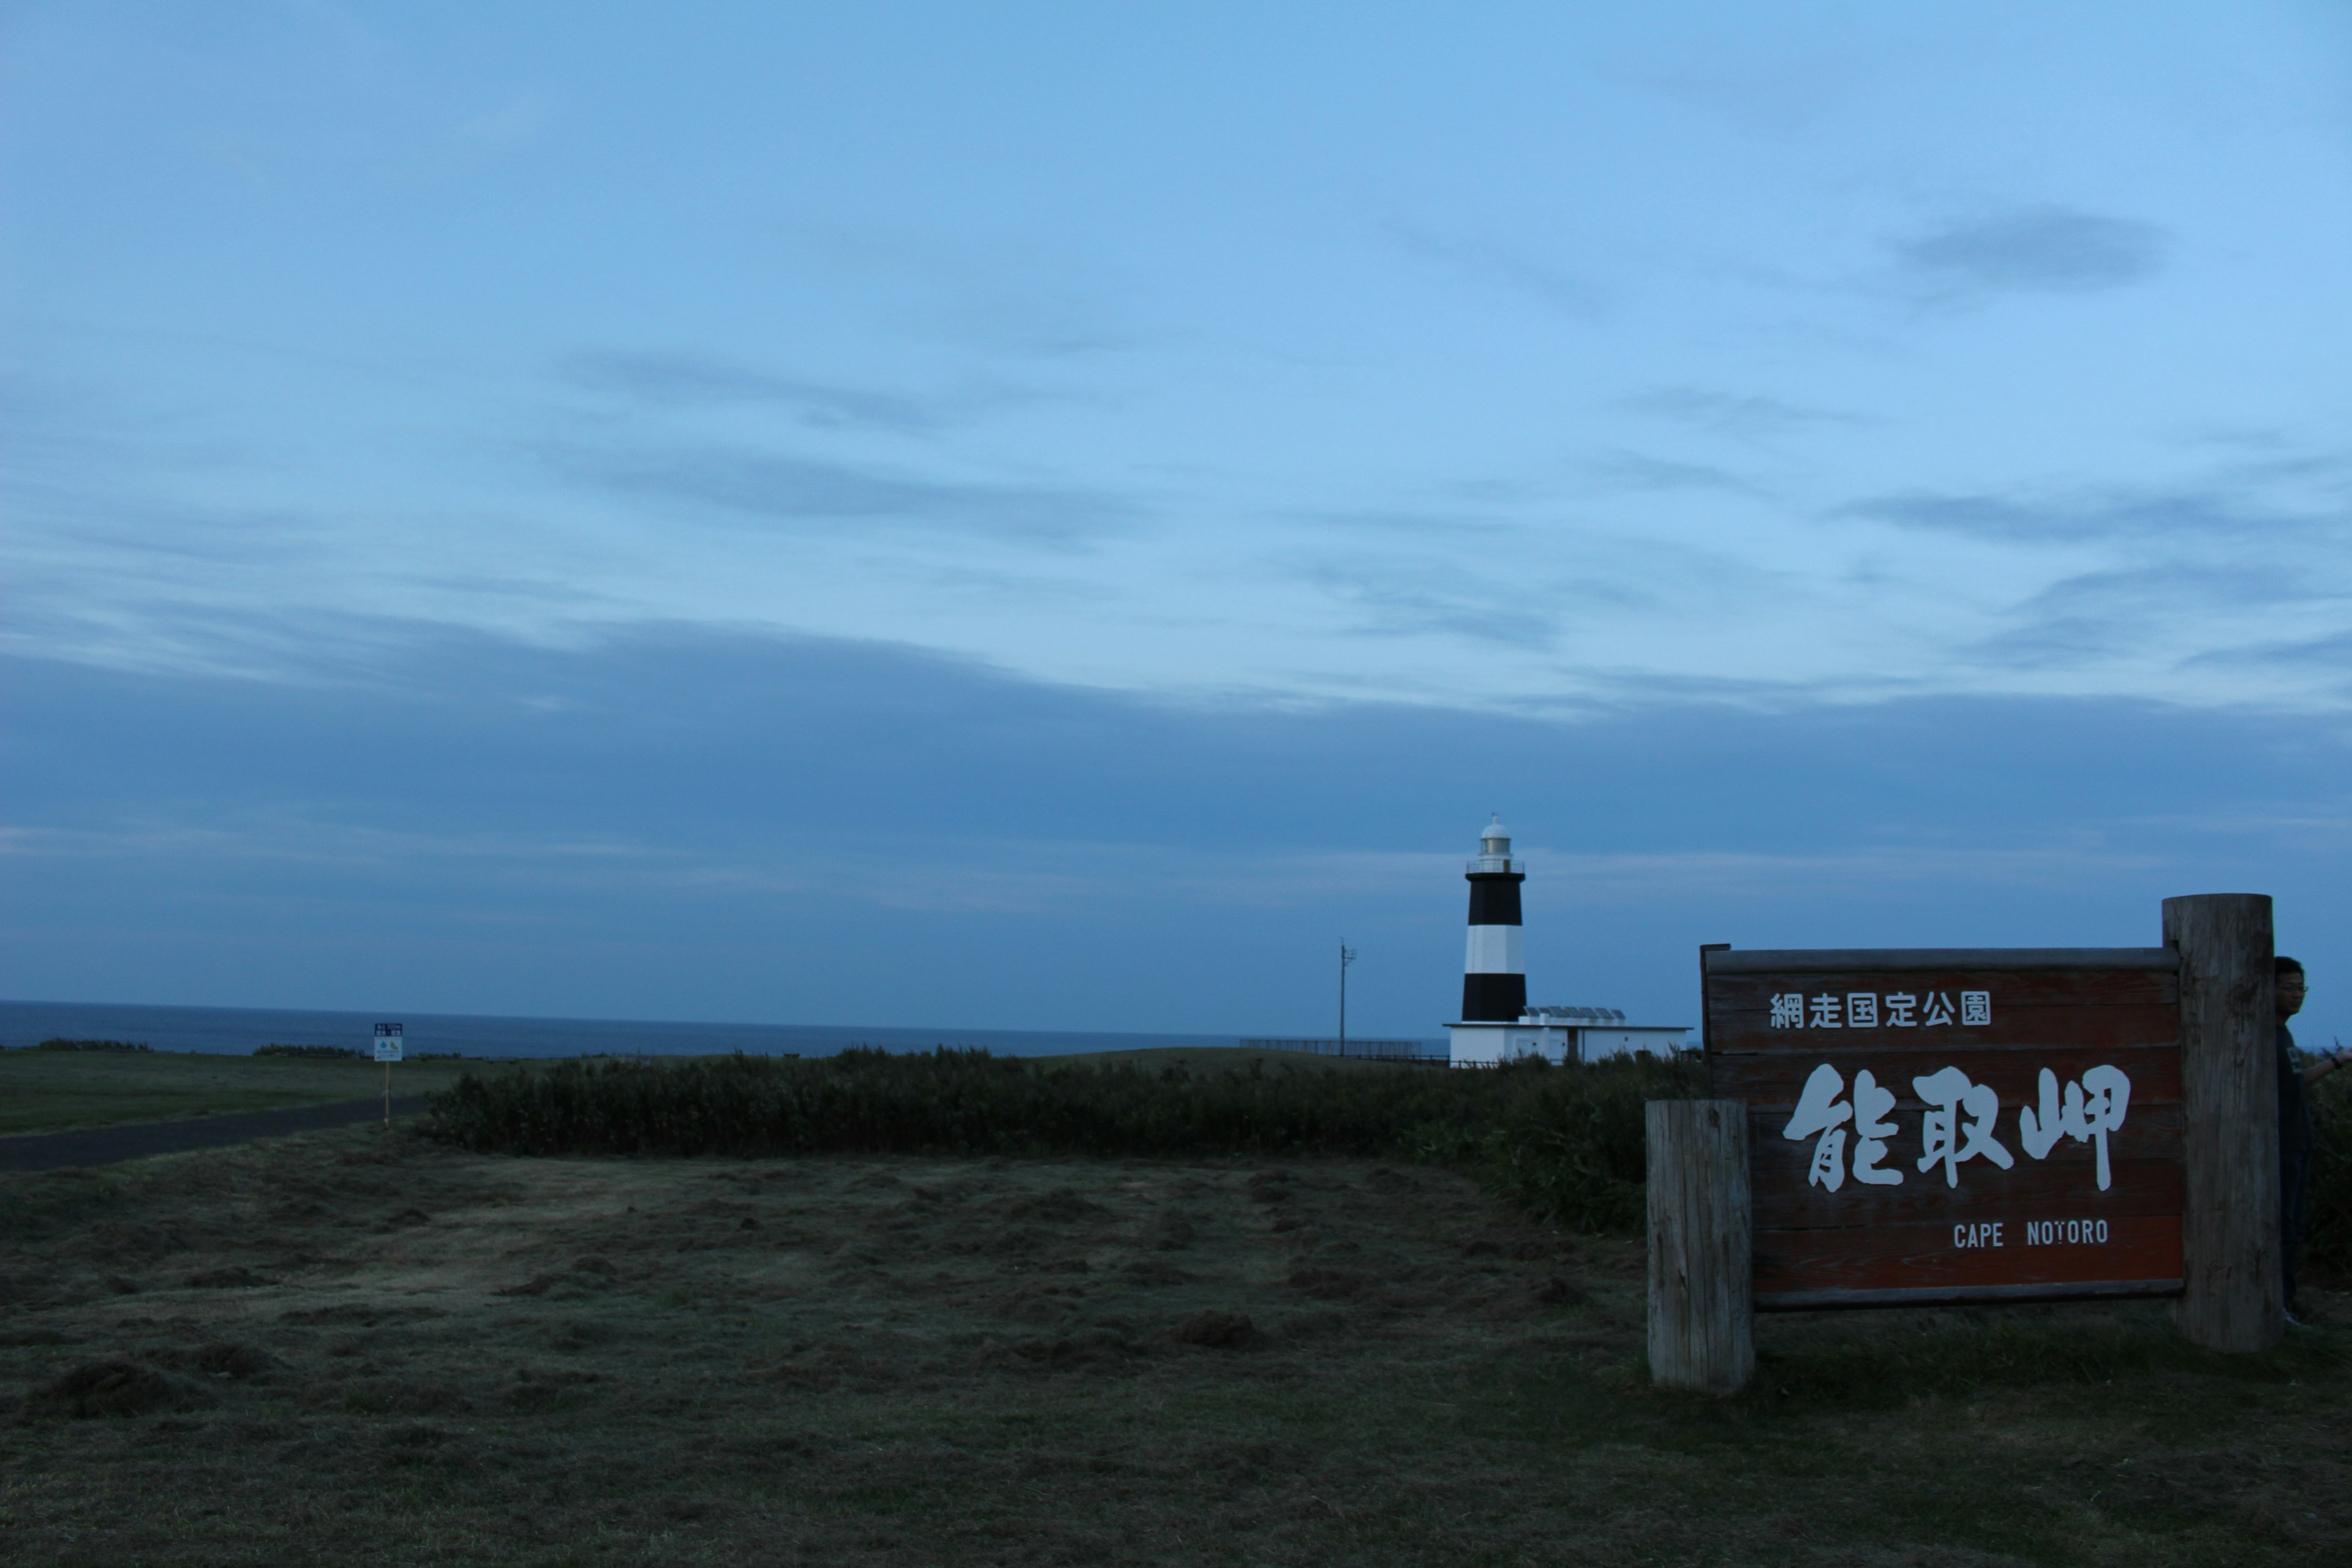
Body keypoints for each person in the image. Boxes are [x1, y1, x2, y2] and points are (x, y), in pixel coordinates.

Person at [2277, 956, 2345, 1321]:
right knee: (2283, 1227)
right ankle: (2280, 1305)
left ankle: (2288, 1301)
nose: (2297, 995)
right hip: (2281, 1145)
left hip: (2298, 1143)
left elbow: (2296, 1082)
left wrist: (2336, 1061)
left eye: (2300, 988)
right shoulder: (2265, 1037)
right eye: (2288, 987)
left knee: (2294, 1227)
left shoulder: (2285, 1035)